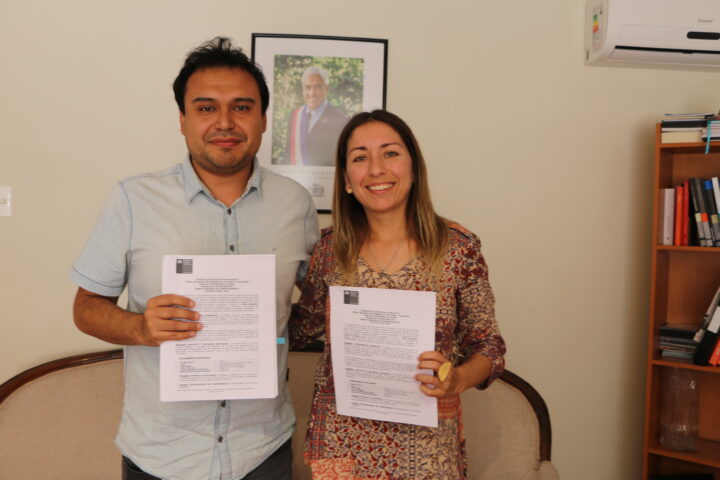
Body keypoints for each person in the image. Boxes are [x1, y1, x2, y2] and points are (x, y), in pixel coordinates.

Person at [70, 37, 319, 480]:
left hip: (262, 450)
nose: (225, 122)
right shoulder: (133, 199)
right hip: (161, 455)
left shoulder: (296, 204)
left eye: (242, 107)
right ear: (183, 120)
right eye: (206, 108)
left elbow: (319, 305)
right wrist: (140, 327)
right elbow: (86, 308)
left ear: (263, 119)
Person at [290, 110, 506, 479]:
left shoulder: (457, 248)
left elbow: (489, 346)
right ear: (346, 180)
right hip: (341, 445)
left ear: (414, 168)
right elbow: (298, 332)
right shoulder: (329, 250)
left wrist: (457, 378)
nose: (376, 169)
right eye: (360, 157)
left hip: (426, 449)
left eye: (390, 153)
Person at [285, 66, 348, 166]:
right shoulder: (295, 116)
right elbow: (288, 154)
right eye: (308, 87)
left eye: (318, 87)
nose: (312, 93)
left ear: (326, 89)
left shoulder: (341, 120)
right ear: (302, 89)